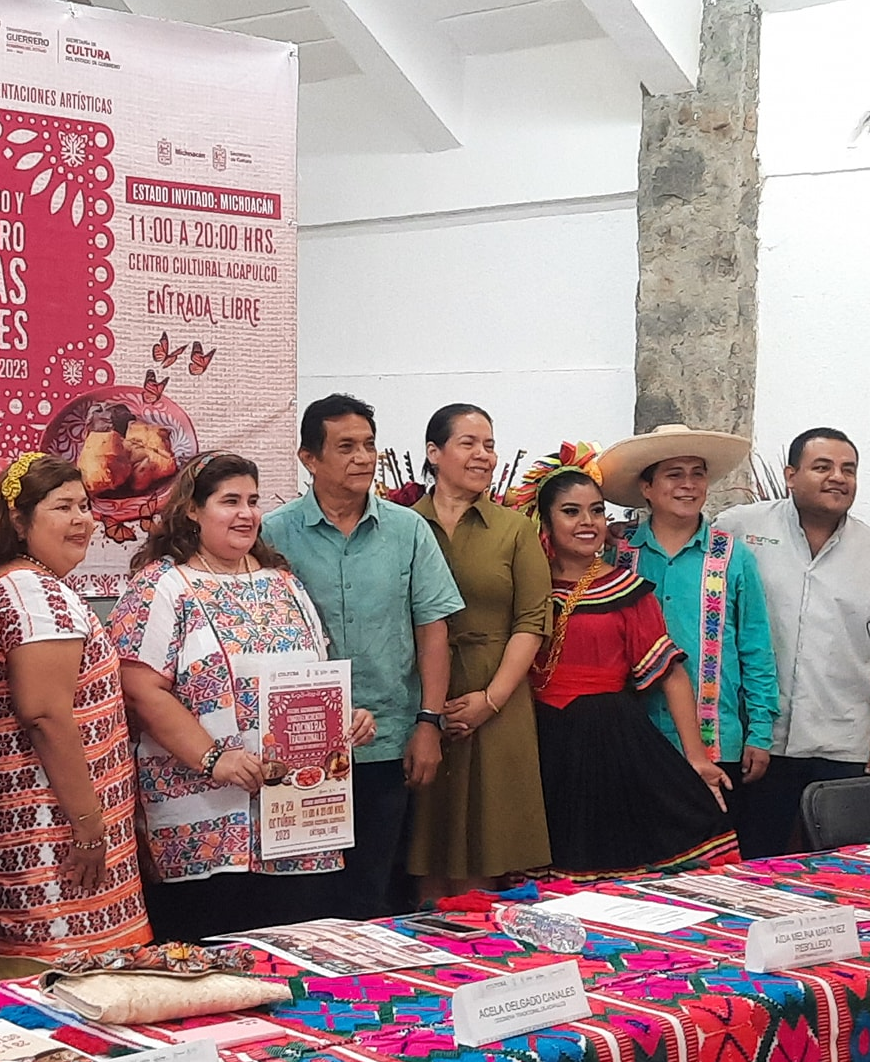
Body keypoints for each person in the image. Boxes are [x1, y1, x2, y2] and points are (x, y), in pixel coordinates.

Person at [112, 453, 375, 944]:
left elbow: (314, 679)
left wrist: (346, 719)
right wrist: (214, 758)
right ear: (192, 509)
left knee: (294, 961)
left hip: (297, 819)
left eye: (253, 501)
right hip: (205, 825)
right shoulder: (164, 586)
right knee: (211, 962)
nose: (246, 514)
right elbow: (141, 690)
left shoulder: (284, 584)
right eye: (229, 501)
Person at [260, 394, 461, 920]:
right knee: (308, 900)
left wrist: (428, 724)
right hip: (301, 746)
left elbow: (432, 631)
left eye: (369, 445)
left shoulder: (408, 530)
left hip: (390, 740)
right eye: (345, 446)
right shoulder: (272, 535)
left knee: (378, 891)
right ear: (309, 458)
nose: (363, 458)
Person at [514, 443, 736, 876]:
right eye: (571, 512)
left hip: (608, 742)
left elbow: (671, 676)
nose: (588, 523)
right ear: (545, 521)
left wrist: (696, 757)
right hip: (537, 739)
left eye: (596, 511)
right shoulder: (526, 587)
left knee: (609, 861)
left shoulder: (628, 591)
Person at [0, 451, 151, 965]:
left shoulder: (30, 584)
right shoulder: (34, 594)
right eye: (62, 507)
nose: (82, 520)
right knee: (62, 989)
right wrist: (87, 822)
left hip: (59, 826)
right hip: (53, 832)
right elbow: (45, 716)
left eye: (85, 505)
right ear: (18, 519)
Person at [722, 428, 870, 857]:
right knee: (756, 863)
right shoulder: (740, 528)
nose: (838, 477)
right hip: (758, 743)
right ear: (790, 475)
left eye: (848, 469)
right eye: (823, 467)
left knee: (843, 868)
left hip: (842, 743)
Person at [599, 425, 781, 849]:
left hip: (718, 739)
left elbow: (755, 648)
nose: (688, 485)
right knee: (639, 860)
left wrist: (759, 733)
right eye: (673, 474)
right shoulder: (618, 555)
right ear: (646, 487)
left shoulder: (733, 556)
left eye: (697, 474)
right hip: (635, 739)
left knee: (714, 858)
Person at [407, 404, 551, 894]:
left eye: (489, 445)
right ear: (434, 453)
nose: (484, 455)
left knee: (490, 839)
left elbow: (532, 621)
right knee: (425, 835)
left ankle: (484, 958)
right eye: (468, 443)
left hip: (499, 692)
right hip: (420, 693)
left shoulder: (515, 529)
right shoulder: (402, 525)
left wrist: (490, 700)